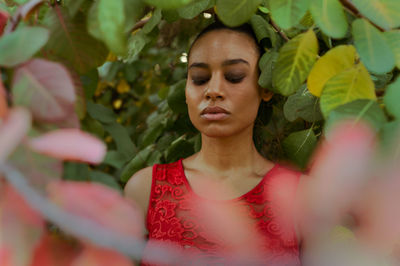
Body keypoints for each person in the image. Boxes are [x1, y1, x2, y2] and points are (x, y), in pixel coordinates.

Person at [124, 20, 302, 265]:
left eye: (234, 76)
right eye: (199, 78)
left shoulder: (302, 197)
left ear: (265, 88)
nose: (213, 90)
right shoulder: (144, 190)